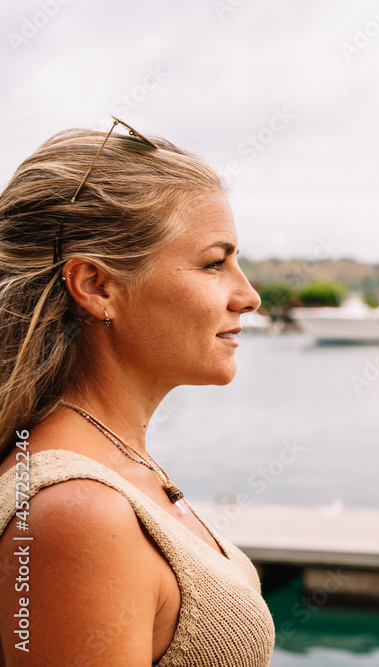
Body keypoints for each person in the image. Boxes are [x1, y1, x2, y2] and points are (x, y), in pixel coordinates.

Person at [0, 118, 274, 665]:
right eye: (214, 263)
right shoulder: (77, 513)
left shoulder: (109, 463)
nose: (249, 296)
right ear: (98, 286)